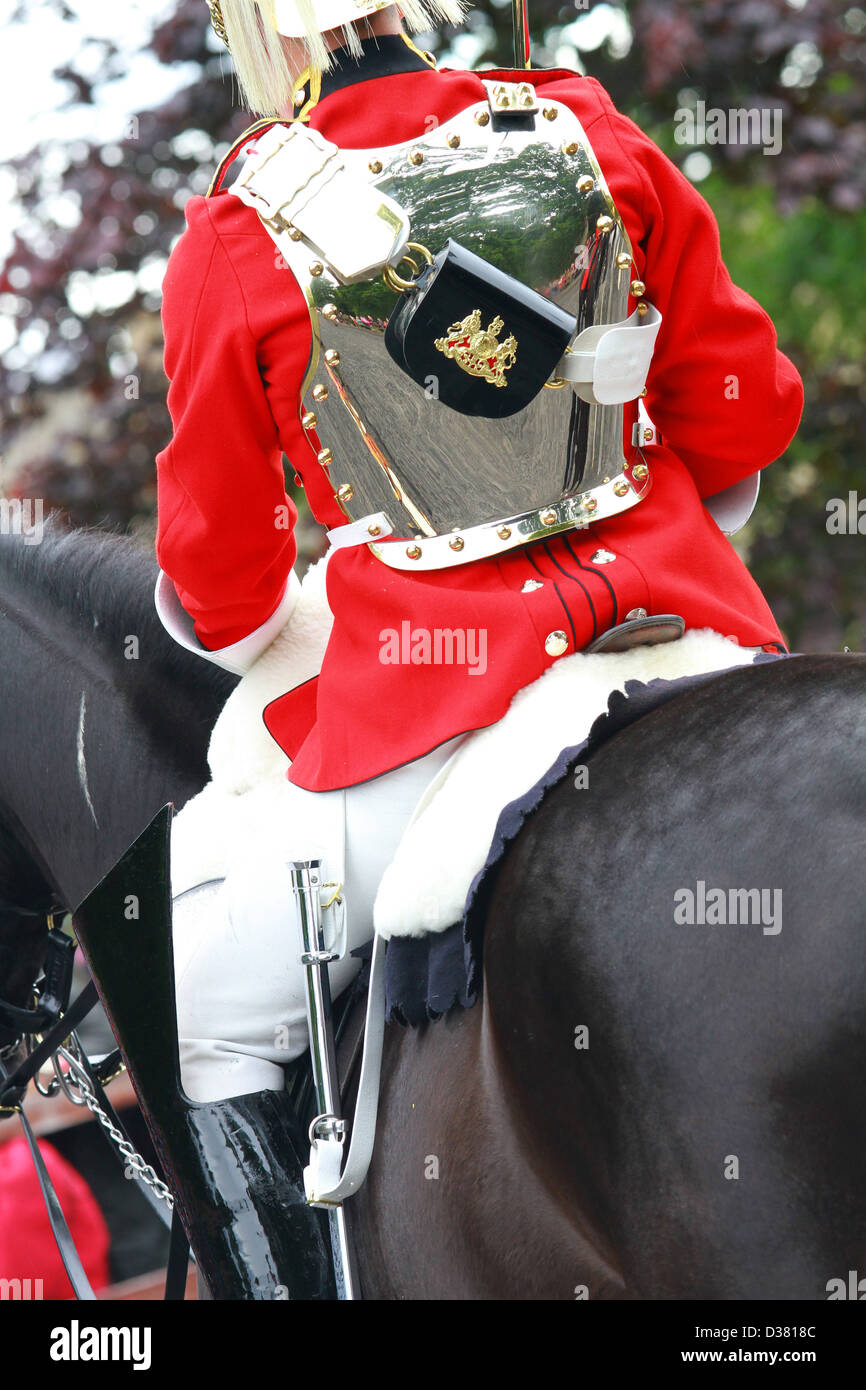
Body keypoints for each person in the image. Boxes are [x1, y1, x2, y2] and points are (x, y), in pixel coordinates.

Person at [147, 0, 803, 1296]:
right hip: (691, 633)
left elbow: (215, 584)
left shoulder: (236, 234)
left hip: (442, 692)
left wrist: (258, 614)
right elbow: (741, 405)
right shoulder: (584, 130)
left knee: (211, 989)